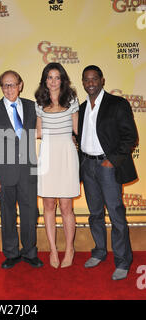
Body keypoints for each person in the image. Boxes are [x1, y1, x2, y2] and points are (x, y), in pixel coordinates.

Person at [78, 65, 138, 280]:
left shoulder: (117, 104)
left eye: (94, 79)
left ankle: (122, 261)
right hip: (87, 165)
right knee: (94, 214)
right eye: (86, 79)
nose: (90, 83)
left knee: (116, 214)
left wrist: (112, 161)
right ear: (83, 82)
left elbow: (130, 137)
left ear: (102, 80)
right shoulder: (82, 107)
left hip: (107, 166)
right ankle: (100, 251)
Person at [0, 70, 43, 269]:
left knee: (29, 214)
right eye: (5, 85)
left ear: (21, 85)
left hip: (28, 171)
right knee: (7, 215)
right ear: (1, 88)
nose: (9, 89)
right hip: (3, 173)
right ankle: (11, 253)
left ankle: (30, 252)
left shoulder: (32, 107)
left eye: (13, 84)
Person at [35, 62, 79, 269]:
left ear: (62, 79)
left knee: (66, 206)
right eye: (49, 77)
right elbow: (39, 132)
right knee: (49, 205)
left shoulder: (71, 99)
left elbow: (77, 130)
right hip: (47, 154)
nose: (53, 81)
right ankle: (53, 249)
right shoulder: (39, 101)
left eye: (57, 77)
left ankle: (69, 249)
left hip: (67, 154)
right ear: (45, 80)